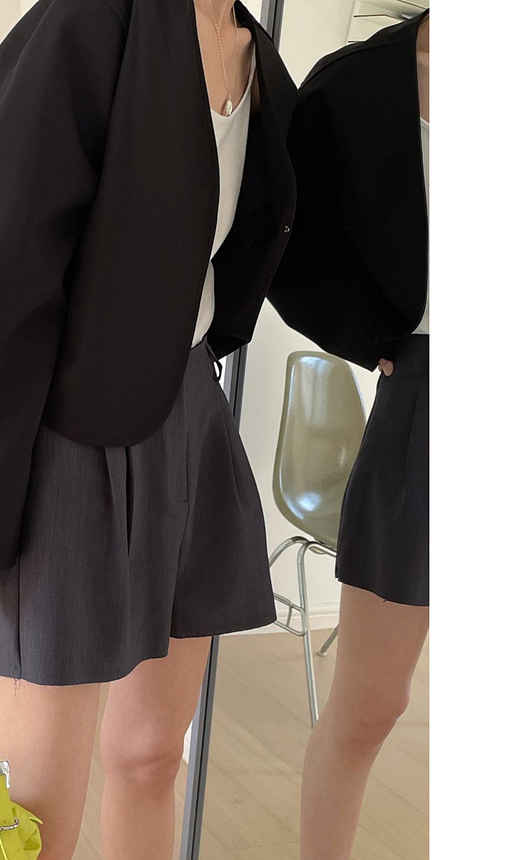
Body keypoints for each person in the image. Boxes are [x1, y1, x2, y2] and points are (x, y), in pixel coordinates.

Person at [0, 2, 296, 857]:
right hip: (68, 432)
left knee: (152, 757)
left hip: (191, 410)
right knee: (36, 819)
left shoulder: (256, 57)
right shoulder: (97, 19)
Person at [267, 9, 429, 859]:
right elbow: (287, 239)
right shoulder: (359, 87)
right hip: (431, 403)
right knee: (371, 704)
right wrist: (373, 334)